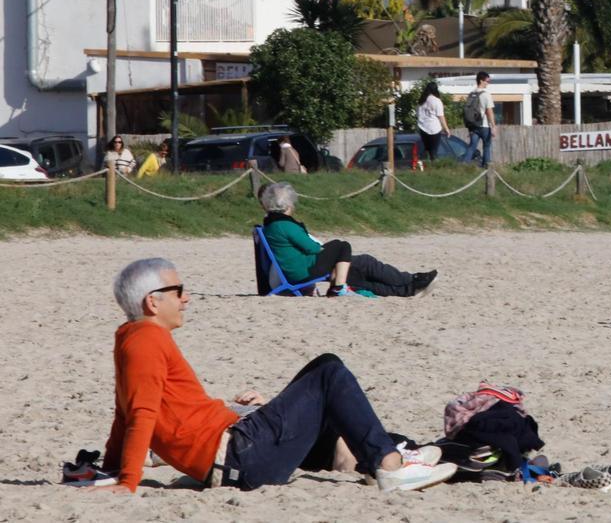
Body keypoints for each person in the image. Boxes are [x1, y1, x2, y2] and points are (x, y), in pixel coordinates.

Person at [87, 258, 456, 494]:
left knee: (317, 381)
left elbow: (125, 413)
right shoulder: (146, 340)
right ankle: (391, 465)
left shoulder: (131, 337)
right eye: (179, 291)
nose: (186, 299)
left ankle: (386, 454)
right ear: (153, 301)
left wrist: (109, 469)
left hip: (233, 448)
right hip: (237, 457)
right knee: (329, 371)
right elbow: (140, 414)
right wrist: (127, 482)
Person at [259, 182, 437, 297]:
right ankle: (411, 279)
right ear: (288, 205)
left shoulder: (272, 225)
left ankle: (408, 289)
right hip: (303, 270)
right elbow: (311, 247)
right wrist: (327, 253)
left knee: (360, 277)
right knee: (344, 248)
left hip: (298, 268)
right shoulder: (284, 224)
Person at [463, 71, 496, 169]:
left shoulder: (471, 94)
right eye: (487, 81)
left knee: (472, 146)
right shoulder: (486, 94)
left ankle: (464, 166)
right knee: (486, 146)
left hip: (473, 126)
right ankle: (486, 168)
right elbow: (489, 111)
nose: (488, 83)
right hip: (484, 126)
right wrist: (493, 126)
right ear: (481, 80)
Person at [416, 81, 450, 161]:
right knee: (433, 151)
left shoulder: (421, 101)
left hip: (423, 128)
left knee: (426, 150)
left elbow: (418, 114)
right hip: (434, 129)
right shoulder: (437, 101)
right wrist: (446, 129)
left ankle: (424, 165)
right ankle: (433, 166)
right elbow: (441, 116)